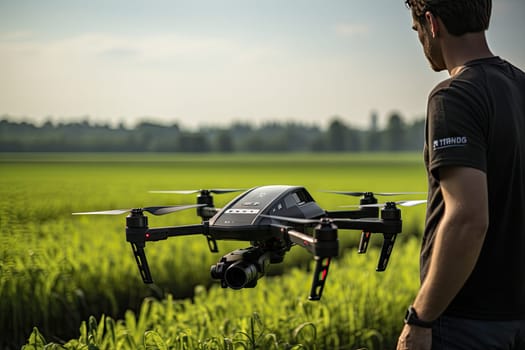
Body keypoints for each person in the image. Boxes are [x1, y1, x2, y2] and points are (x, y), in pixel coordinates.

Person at [397, 0, 525, 349]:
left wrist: (420, 319)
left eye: (417, 31)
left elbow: (468, 218)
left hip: (469, 323)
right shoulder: (519, 85)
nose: (421, 42)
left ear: (431, 23)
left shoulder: (454, 96)